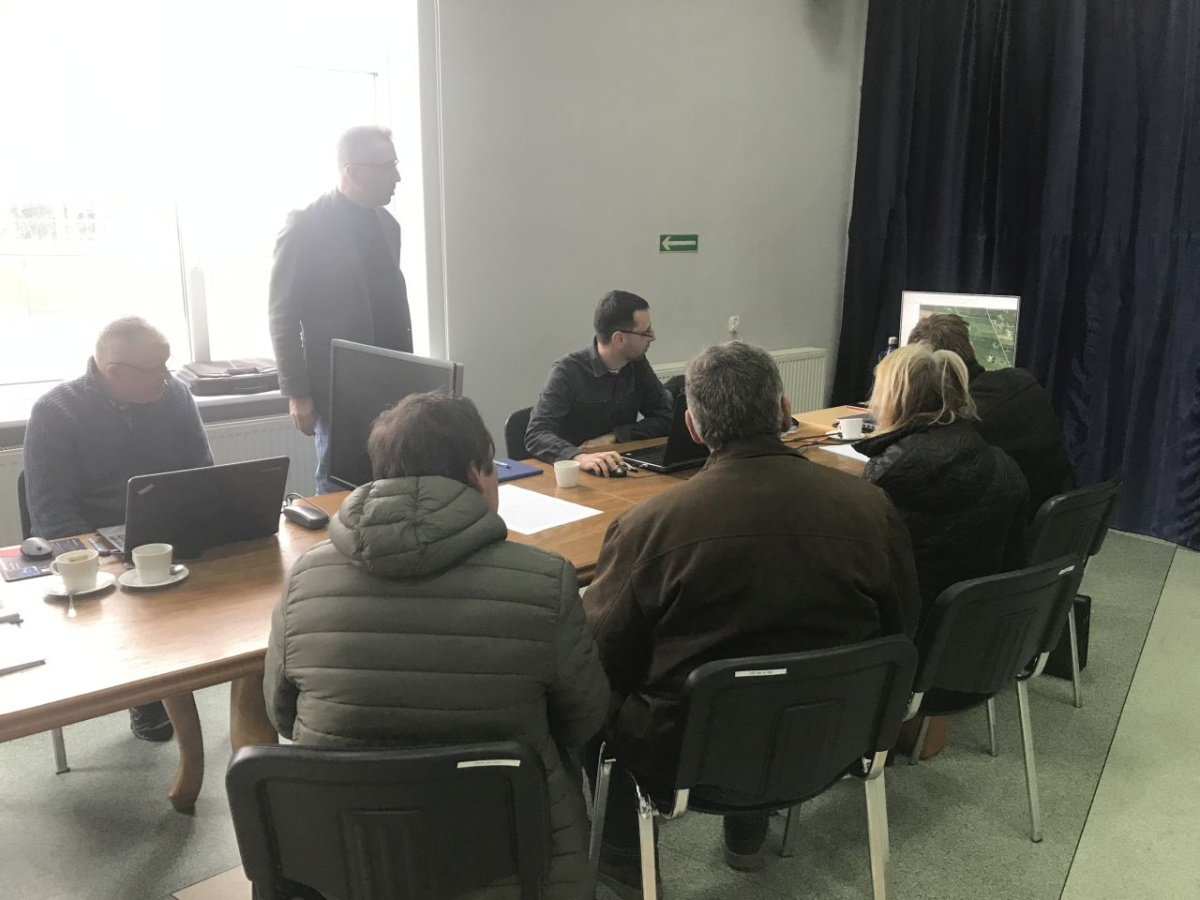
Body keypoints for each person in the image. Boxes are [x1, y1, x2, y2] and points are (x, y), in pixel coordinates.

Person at [582, 342, 921, 893]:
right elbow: (902, 625)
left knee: (586, 701)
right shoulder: (870, 507)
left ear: (693, 427)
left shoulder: (648, 526)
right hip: (833, 733)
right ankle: (747, 837)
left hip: (686, 755)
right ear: (784, 409)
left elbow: (598, 655)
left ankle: (623, 863)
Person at [263, 391, 610, 900]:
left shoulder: (303, 580)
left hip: (351, 856)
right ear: (476, 474)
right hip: (512, 857)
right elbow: (584, 718)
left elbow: (281, 714)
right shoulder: (547, 582)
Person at [23, 315, 213, 741]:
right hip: (96, 546)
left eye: (167, 364)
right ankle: (147, 692)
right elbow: (53, 517)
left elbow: (204, 475)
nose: (168, 377)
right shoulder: (56, 411)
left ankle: (236, 679)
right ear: (115, 372)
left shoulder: (176, 397)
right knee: (136, 598)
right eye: (156, 369)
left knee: (242, 575)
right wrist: (111, 559)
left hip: (169, 534)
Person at [268, 124, 413, 494]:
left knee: (391, 482)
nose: (397, 176)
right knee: (340, 488)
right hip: (338, 389)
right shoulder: (305, 226)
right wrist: (297, 393)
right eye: (388, 166)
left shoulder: (388, 225)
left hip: (392, 383)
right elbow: (283, 317)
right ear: (353, 172)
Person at [855, 342, 1030, 609]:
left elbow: (860, 565)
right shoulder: (1004, 465)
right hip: (978, 617)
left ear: (893, 401)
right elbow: (1015, 560)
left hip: (906, 621)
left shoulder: (886, 474)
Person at [907, 313, 1074, 516]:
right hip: (1057, 515)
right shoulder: (1023, 380)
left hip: (1009, 523)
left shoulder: (959, 421)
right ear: (972, 347)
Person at [525, 290, 673, 476]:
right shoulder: (568, 370)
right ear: (619, 339)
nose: (653, 337)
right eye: (646, 332)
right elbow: (537, 433)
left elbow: (666, 418)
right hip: (576, 476)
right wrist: (579, 457)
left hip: (620, 467)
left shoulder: (637, 365)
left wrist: (616, 436)